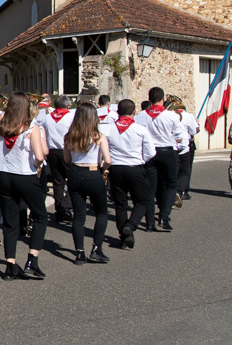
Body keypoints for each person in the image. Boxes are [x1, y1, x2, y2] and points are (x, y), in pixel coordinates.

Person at [0, 92, 49, 280]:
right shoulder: (31, 128)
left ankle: (10, 265)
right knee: (40, 216)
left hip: (4, 175)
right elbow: (40, 156)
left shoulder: (0, 127)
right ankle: (32, 260)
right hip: (25, 175)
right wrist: (35, 166)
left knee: (10, 223)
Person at [100, 99, 156, 249]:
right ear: (134, 112)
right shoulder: (140, 129)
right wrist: (140, 160)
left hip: (116, 169)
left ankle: (123, 238)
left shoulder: (108, 128)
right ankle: (130, 226)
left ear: (117, 112)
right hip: (135, 167)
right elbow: (151, 152)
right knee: (142, 201)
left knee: (120, 204)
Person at [62, 102, 112, 265]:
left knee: (79, 216)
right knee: (102, 212)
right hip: (92, 172)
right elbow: (108, 160)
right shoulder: (98, 136)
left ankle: (79, 253)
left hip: (75, 173)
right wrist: (103, 169)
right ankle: (96, 248)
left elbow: (67, 160)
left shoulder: (70, 136)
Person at [134, 87, 187, 232]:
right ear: (163, 99)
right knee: (170, 184)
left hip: (149, 153)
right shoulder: (171, 116)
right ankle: (163, 217)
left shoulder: (140, 115)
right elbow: (179, 136)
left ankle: (150, 223)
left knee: (150, 188)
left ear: (149, 99)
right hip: (166, 151)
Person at [37, 95, 75, 224]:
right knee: (74, 181)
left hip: (52, 152)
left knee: (58, 183)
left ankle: (59, 211)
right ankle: (65, 205)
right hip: (66, 151)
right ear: (67, 105)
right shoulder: (71, 117)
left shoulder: (47, 118)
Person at [171, 98, 200, 202]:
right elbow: (194, 131)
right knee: (185, 170)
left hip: (171, 146)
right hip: (184, 146)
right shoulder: (189, 116)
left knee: (173, 170)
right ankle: (182, 191)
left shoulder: (167, 115)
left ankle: (173, 191)